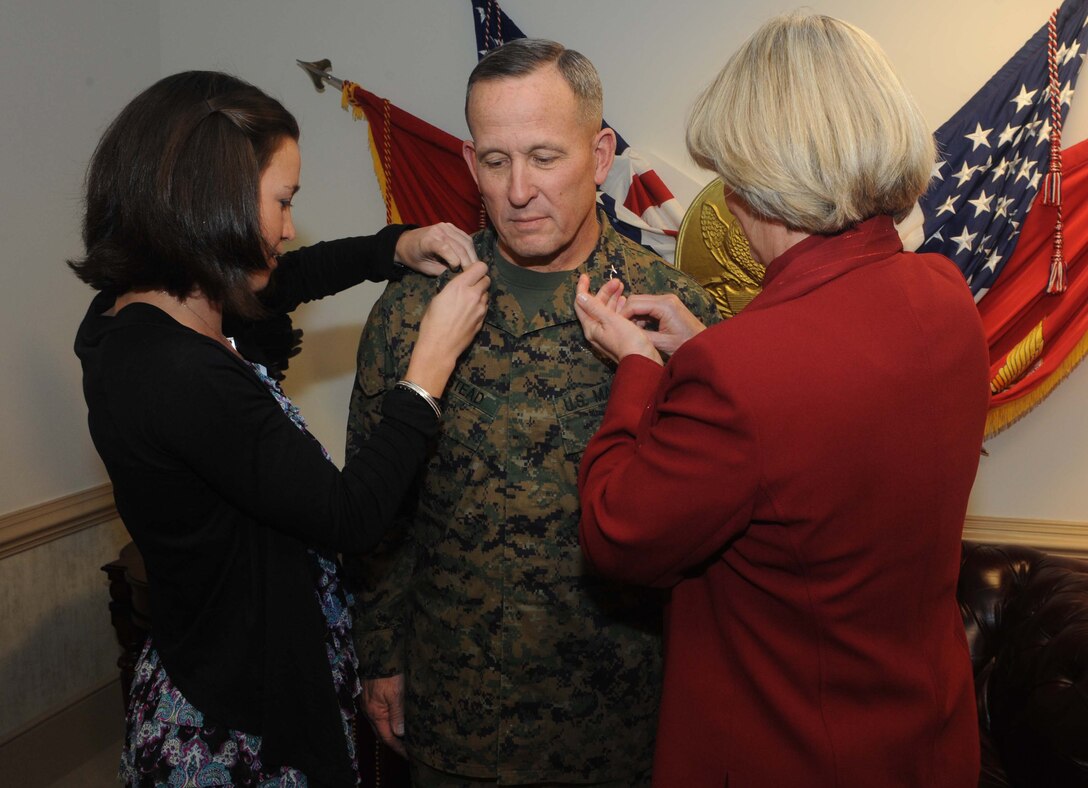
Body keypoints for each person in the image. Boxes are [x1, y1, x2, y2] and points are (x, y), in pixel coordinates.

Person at [572, 11, 988, 788]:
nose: (727, 202)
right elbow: (825, 420)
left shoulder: (743, 371)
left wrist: (636, 368)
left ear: (764, 181)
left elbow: (617, 532)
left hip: (791, 753)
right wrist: (706, 346)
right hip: (925, 743)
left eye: (732, 177)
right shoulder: (944, 292)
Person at [70, 70, 490, 788]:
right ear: (214, 200)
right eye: (282, 201)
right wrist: (428, 367)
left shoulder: (136, 314)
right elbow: (349, 513)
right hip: (240, 719)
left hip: (202, 655)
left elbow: (280, 281)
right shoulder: (181, 374)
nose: (291, 226)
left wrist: (394, 246)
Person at [344, 39, 719, 787]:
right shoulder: (415, 309)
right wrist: (380, 655)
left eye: (545, 157)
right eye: (494, 160)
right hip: (458, 718)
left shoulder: (673, 315)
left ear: (601, 151)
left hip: (622, 719)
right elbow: (379, 506)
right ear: (468, 162)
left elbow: (710, 519)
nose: (518, 190)